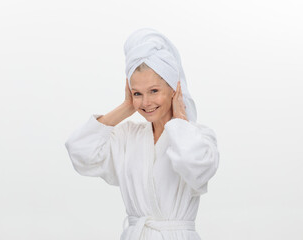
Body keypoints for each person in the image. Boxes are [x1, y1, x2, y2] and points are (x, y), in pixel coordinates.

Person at [64, 28, 220, 240]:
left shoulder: (198, 136)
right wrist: (126, 107)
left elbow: (194, 165)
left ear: (174, 89)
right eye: (138, 93)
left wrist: (180, 119)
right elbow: (79, 151)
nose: (145, 103)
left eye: (154, 91)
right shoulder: (128, 136)